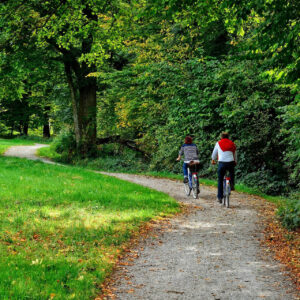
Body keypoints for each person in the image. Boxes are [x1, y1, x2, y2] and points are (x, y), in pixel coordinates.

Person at [211, 132, 237, 203]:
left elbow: (214, 153)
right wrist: (235, 161)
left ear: (221, 137)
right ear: (228, 137)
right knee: (232, 172)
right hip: (230, 162)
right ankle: (231, 184)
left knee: (220, 179)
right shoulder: (232, 143)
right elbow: (235, 153)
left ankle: (220, 197)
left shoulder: (218, 143)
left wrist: (213, 160)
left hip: (222, 163)